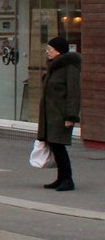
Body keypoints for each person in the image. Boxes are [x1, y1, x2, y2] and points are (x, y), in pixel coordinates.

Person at [38, 36, 80, 192]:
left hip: (61, 115)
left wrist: (71, 117)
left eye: (50, 49)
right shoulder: (53, 66)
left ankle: (68, 179)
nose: (47, 52)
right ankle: (61, 178)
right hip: (51, 115)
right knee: (54, 146)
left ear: (58, 51)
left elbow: (73, 94)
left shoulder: (70, 68)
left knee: (59, 147)